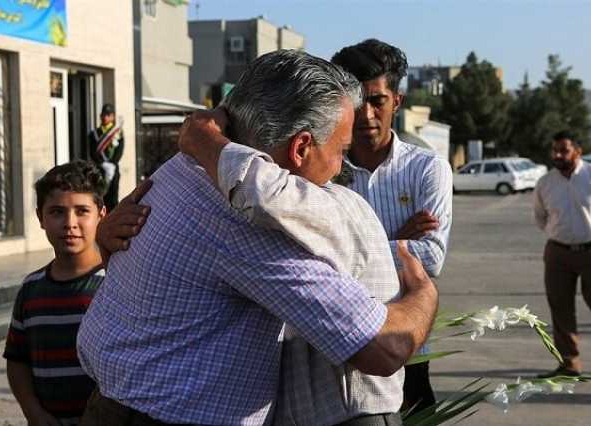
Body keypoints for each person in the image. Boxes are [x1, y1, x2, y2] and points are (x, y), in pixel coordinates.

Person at [77, 50, 438, 425]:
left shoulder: (181, 167)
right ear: (300, 148)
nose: (340, 169)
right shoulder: (249, 225)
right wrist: (423, 298)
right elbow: (381, 349)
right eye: (340, 152)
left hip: (107, 404)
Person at [332, 39, 453, 410]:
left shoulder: (426, 170)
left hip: (405, 337)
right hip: (333, 335)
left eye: (377, 101)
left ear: (396, 101)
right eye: (357, 101)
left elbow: (430, 258)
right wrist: (398, 239)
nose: (366, 114)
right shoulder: (323, 169)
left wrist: (343, 248)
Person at [3, 160, 107, 426]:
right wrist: (33, 413)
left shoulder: (115, 284)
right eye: (57, 212)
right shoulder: (31, 288)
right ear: (40, 218)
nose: (69, 223)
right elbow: (17, 361)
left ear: (101, 214)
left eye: (82, 211)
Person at [534, 130, 591, 377]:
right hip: (557, 253)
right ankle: (569, 362)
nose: (558, 155)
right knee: (560, 307)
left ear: (578, 150)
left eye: (563, 150)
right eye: (554, 150)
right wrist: (561, 235)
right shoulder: (546, 183)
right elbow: (540, 217)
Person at [89, 103, 124, 212]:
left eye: (108, 115)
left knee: (113, 198)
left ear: (113, 117)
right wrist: (102, 164)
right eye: (103, 115)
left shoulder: (117, 133)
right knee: (100, 196)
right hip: (99, 169)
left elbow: (119, 150)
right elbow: (92, 151)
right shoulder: (94, 134)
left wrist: (112, 163)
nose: (105, 117)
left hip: (113, 169)